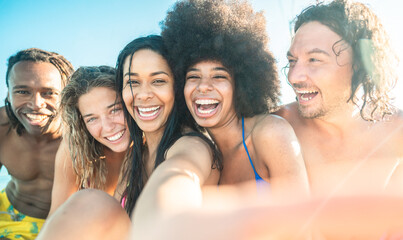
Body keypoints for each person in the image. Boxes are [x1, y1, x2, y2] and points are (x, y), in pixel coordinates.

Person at [161, 0, 309, 201]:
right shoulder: (203, 154)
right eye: (193, 76)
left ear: (240, 84)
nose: (203, 86)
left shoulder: (269, 133)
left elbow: (303, 226)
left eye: (219, 76)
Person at [275, 0, 403, 197]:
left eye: (314, 60)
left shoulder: (396, 130)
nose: (293, 77)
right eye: (292, 61)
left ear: (359, 63)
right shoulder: (277, 127)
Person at [0, 48, 73, 239]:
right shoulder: (1, 127)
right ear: (8, 93)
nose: (36, 104)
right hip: (7, 213)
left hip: (66, 223)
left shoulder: (82, 134)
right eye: (23, 91)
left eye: (48, 93)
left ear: (66, 95)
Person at [47, 66, 132, 216]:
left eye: (114, 110)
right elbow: (57, 214)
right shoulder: (75, 147)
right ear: (82, 123)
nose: (108, 127)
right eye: (92, 119)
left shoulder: (153, 146)